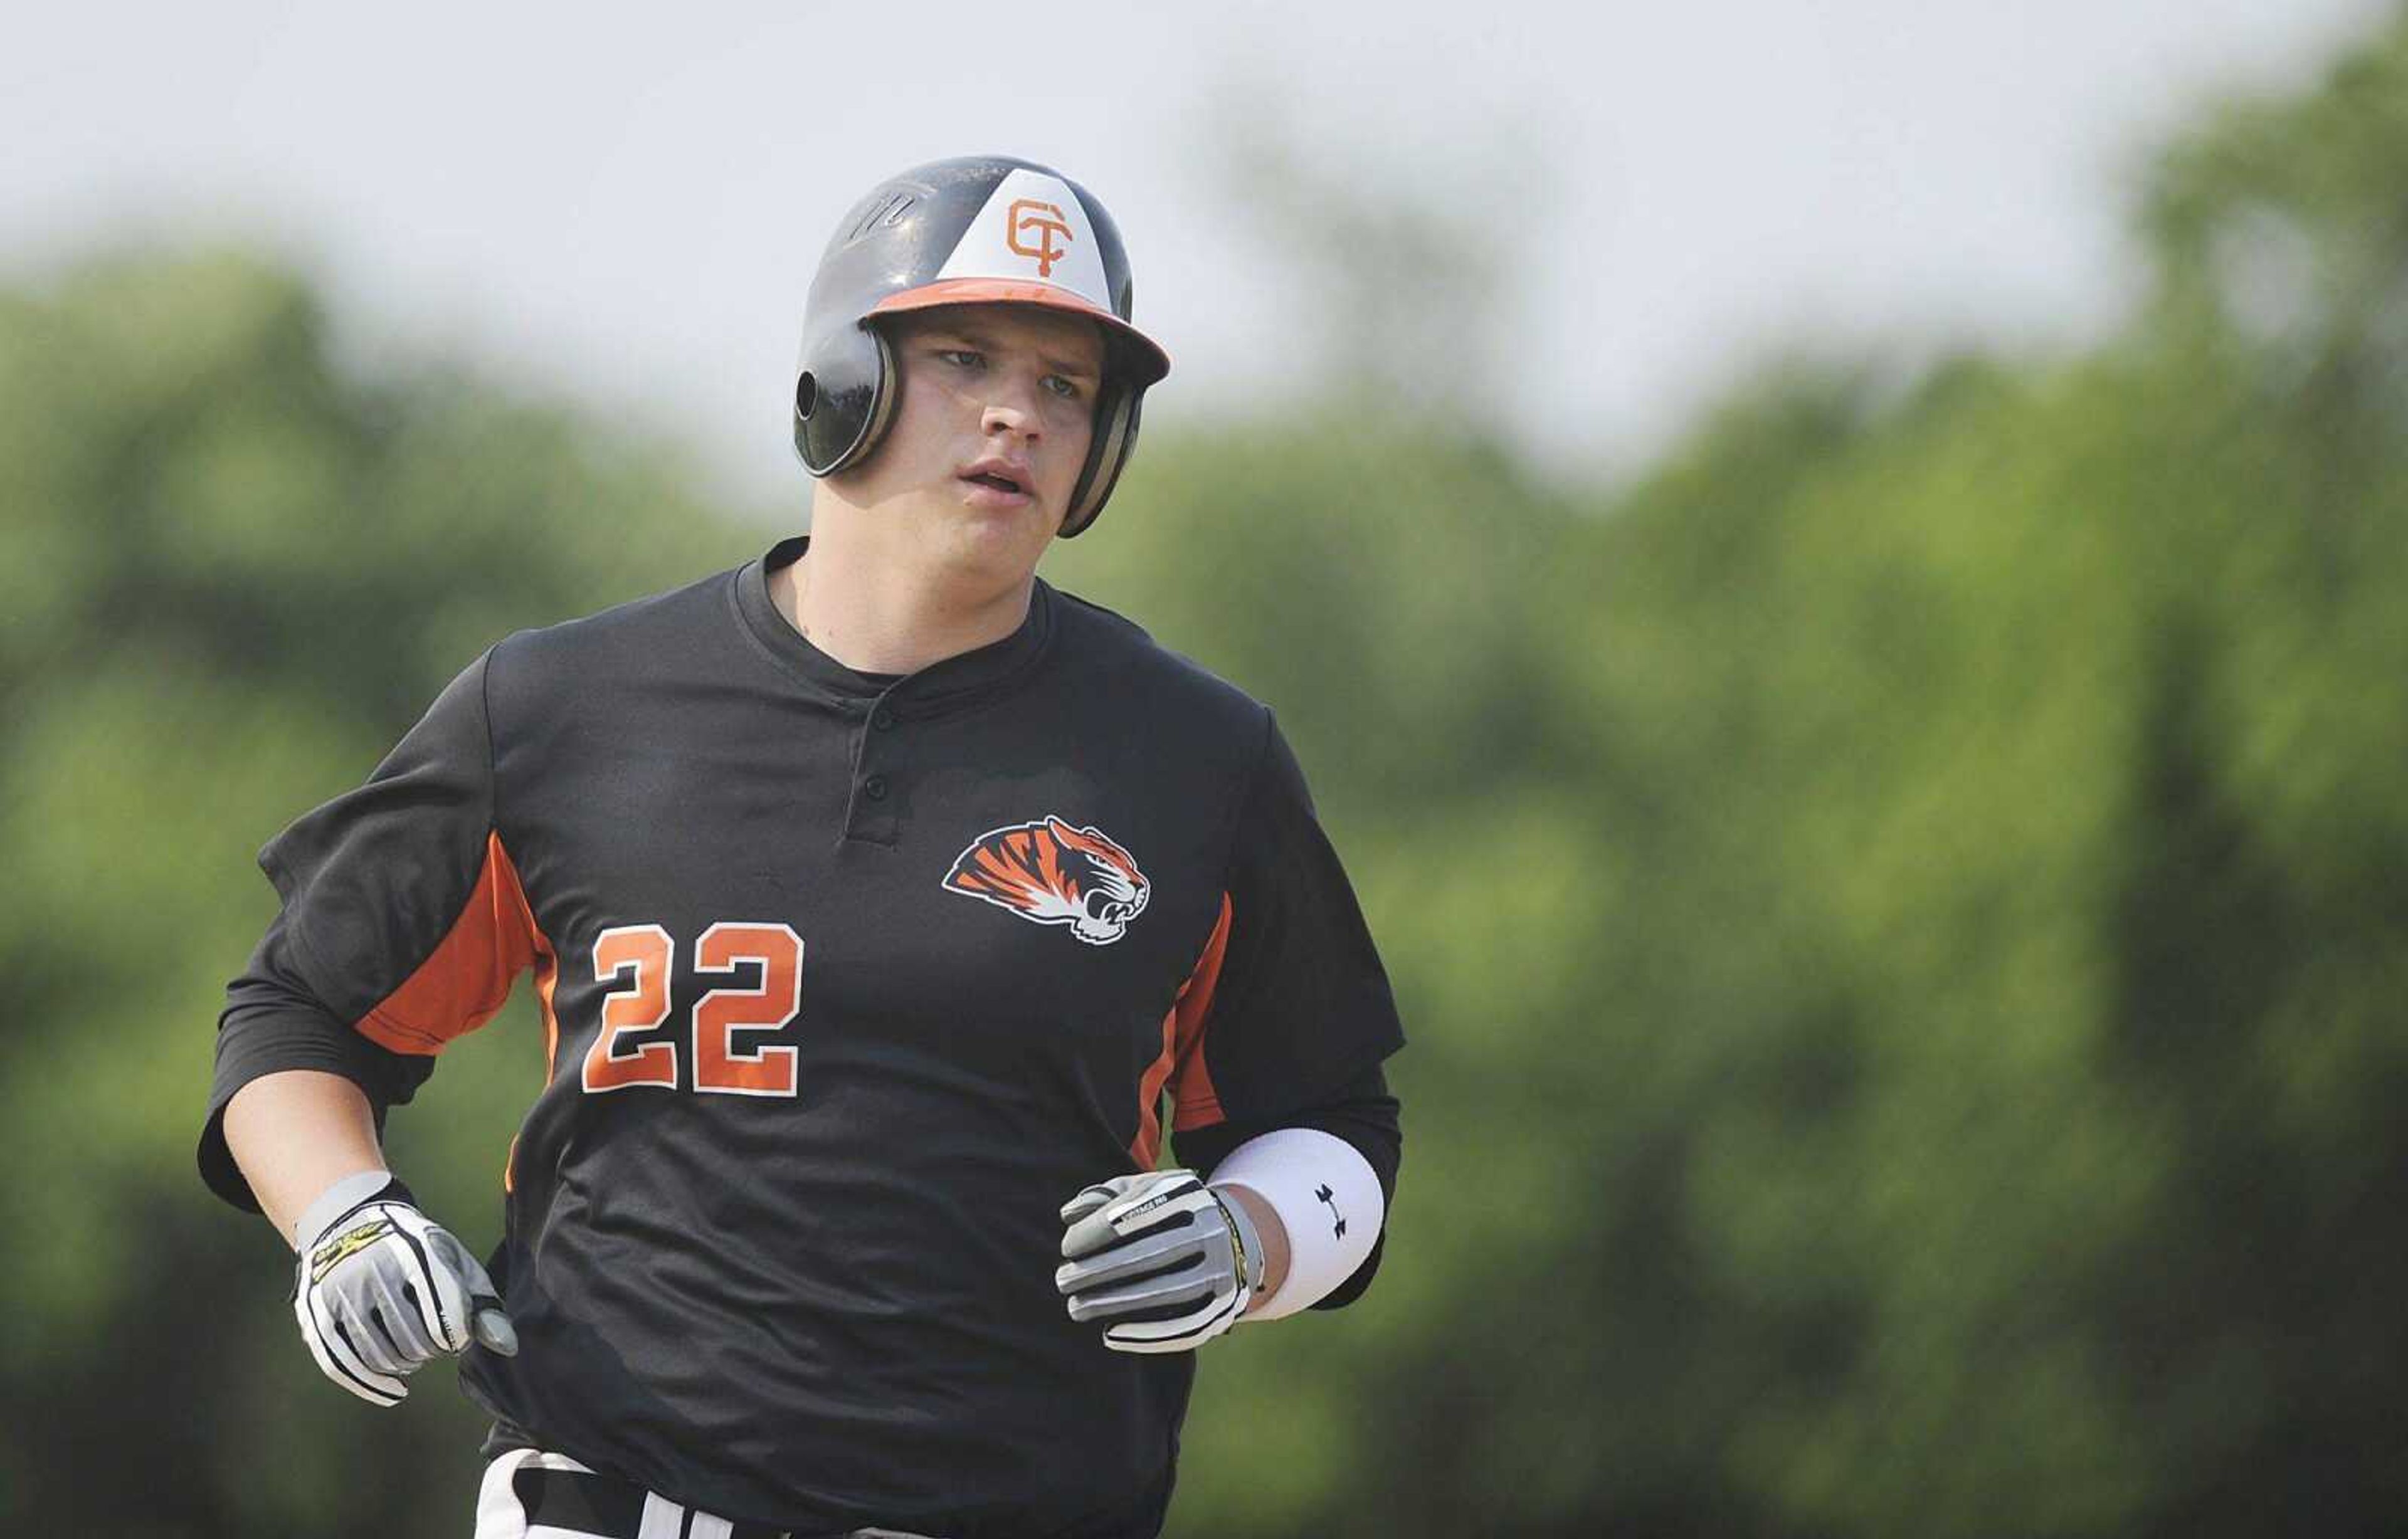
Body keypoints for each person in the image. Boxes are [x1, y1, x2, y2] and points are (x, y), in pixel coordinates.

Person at [198, 154, 1405, 1539]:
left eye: (1068, 385)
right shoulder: (560, 708)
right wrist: (343, 1214)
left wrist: (1248, 1239)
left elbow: (1333, 1123)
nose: (1019, 411)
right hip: (607, 1500)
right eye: (965, 355)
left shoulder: (1198, 758)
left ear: (1103, 445)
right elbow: (299, 1011)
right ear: (846, 380)